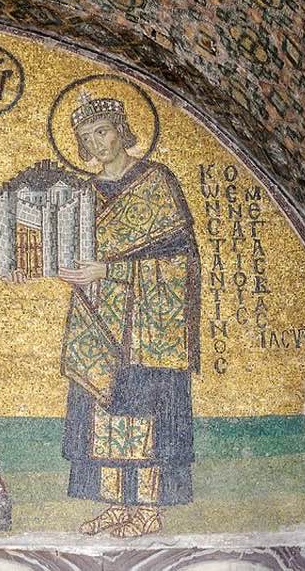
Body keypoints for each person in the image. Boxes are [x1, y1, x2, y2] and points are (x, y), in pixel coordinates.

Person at [53, 92, 201, 537]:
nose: (96, 144)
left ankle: (149, 508)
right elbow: (72, 250)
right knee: (104, 413)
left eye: (102, 131)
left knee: (146, 412)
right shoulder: (83, 194)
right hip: (100, 317)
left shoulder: (156, 182)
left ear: (121, 130)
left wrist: (111, 270)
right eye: (86, 138)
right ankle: (117, 506)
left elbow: (182, 262)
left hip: (150, 325)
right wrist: (69, 270)